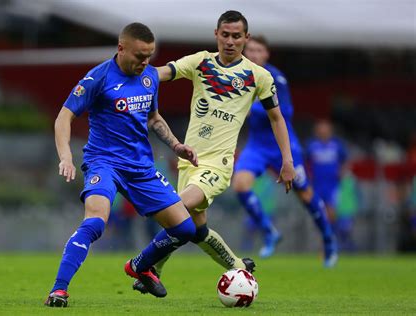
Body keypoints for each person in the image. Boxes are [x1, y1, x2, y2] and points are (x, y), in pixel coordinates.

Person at [133, 11, 295, 294]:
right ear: (216, 35)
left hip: (218, 164)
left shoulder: (259, 76)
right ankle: (237, 267)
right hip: (189, 162)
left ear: (246, 38)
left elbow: (277, 118)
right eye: (225, 35)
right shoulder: (201, 62)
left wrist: (288, 160)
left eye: (236, 36)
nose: (230, 41)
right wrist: (133, 72)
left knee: (175, 208)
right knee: (194, 229)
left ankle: (144, 266)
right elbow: (163, 73)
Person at [45, 22, 199, 307]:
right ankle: (59, 290)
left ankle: (140, 266)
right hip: (103, 163)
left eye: (149, 56)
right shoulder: (98, 78)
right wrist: (65, 156)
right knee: (95, 222)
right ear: (121, 48)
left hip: (141, 166)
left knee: (185, 230)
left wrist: (176, 145)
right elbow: (64, 117)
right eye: (140, 55)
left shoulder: (150, 76)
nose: (145, 62)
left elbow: (153, 118)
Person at [231, 35, 338, 267]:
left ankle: (328, 239)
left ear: (266, 54)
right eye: (250, 50)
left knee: (305, 194)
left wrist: (252, 109)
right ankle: (269, 231)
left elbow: (285, 112)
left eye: (259, 50)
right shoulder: (238, 76)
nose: (254, 55)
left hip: (283, 145)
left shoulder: (275, 77)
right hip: (257, 146)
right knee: (240, 184)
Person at [306, 120, 349, 245]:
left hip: (332, 185)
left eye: (325, 129)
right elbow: (305, 161)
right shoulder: (312, 145)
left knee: (331, 213)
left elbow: (345, 161)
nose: (323, 132)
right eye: (320, 129)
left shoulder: (337, 145)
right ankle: (324, 242)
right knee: (319, 214)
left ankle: (331, 242)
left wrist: (341, 172)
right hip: (317, 185)